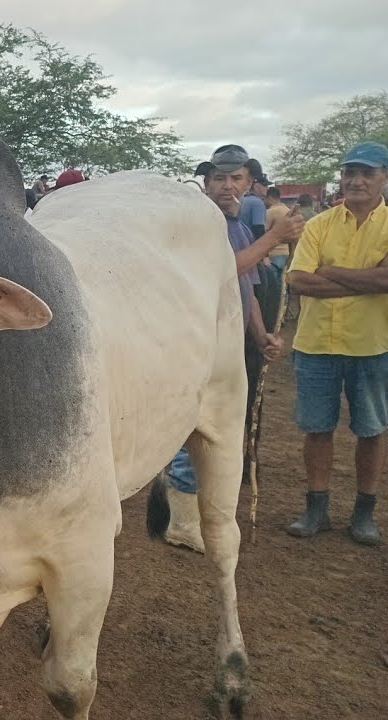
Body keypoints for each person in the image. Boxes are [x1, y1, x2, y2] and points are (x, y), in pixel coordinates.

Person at [160, 145, 302, 551]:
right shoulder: (200, 225)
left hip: (229, 342)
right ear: (206, 185)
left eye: (235, 178)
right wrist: (275, 236)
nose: (227, 186)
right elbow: (222, 270)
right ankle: (182, 522)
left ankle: (196, 516)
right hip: (199, 341)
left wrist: (260, 336)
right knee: (196, 424)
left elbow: (249, 290)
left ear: (249, 183)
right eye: (219, 179)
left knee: (218, 428)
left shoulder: (238, 225)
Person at [285, 141, 388, 546]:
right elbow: (297, 280)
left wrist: (330, 273)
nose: (357, 180)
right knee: (317, 429)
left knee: (372, 431)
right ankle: (317, 509)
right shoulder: (319, 224)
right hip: (316, 345)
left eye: (367, 173)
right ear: (341, 178)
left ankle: (364, 513)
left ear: (383, 178)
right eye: (350, 173)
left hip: (373, 345)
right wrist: (368, 279)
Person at [264, 186, 293, 273]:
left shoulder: (270, 212)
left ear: (269, 198)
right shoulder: (288, 210)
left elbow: (264, 232)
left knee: (272, 283)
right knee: (280, 282)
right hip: (285, 252)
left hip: (273, 252)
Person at [239, 158, 270, 239]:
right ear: (256, 186)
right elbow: (258, 230)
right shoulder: (257, 203)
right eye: (265, 185)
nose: (268, 188)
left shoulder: (241, 199)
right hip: (251, 245)